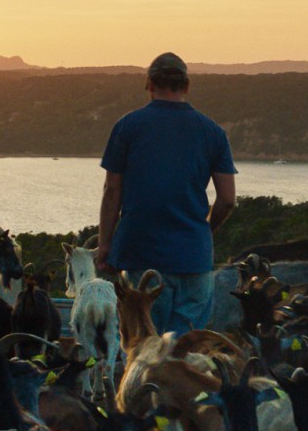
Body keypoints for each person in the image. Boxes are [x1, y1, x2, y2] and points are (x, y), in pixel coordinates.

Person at [95, 52, 237, 335]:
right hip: (193, 257)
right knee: (181, 350)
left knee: (144, 348)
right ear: (186, 86)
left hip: (140, 253)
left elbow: (113, 191)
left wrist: (105, 246)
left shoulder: (128, 127)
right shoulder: (213, 133)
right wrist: (206, 230)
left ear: (149, 84)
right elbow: (227, 200)